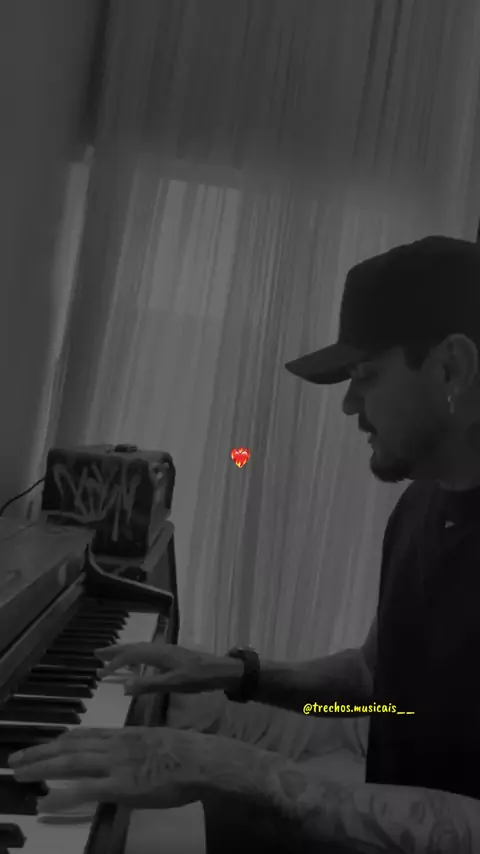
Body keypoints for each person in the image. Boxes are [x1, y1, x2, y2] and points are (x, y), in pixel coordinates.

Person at [10, 235, 480, 852]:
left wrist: (246, 773)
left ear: (451, 368)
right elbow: (379, 680)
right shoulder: (420, 506)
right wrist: (239, 672)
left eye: (366, 376)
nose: (348, 405)